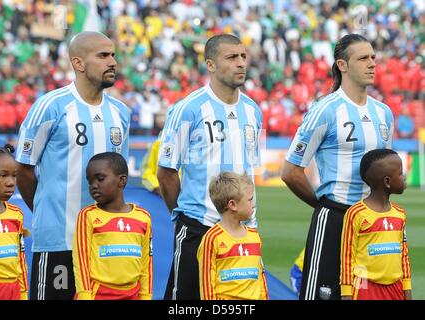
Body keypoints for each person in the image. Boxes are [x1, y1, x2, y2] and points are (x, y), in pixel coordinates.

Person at [15, 31, 130, 300]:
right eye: (103, 55)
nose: (112, 61)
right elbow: (24, 169)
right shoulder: (50, 106)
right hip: (59, 240)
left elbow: (119, 175)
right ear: (78, 63)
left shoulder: (120, 113)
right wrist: (47, 212)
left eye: (113, 54)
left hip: (107, 242)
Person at [281, 34, 394, 300]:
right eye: (363, 58)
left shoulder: (383, 113)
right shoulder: (326, 110)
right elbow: (290, 171)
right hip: (335, 218)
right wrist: (324, 207)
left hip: (372, 222)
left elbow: (385, 170)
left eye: (373, 58)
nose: (372, 64)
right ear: (342, 65)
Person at [157, 34, 263, 300]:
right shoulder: (188, 109)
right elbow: (166, 172)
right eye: (231, 57)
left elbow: (249, 170)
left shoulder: (253, 111)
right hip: (199, 228)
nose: (240, 63)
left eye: (242, 56)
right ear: (211, 65)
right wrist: (185, 218)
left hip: (243, 231)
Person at [73, 152, 153, 300]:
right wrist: (84, 295)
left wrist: (146, 296)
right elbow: (81, 261)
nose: (93, 186)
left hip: (133, 295)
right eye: (89, 181)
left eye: (100, 179)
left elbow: (146, 264)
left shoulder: (143, 217)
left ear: (122, 180)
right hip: (99, 294)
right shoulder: (87, 215)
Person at [340, 149, 412, 300]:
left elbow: (403, 255)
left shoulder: (400, 213)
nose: (404, 177)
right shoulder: (356, 213)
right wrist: (346, 293)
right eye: (400, 173)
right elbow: (347, 256)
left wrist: (407, 288)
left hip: (396, 288)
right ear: (387, 181)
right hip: (365, 288)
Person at [197, 172, 268, 300]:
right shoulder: (212, 238)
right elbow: (207, 286)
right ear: (232, 205)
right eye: (250, 199)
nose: (254, 204)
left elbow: (261, 279)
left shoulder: (254, 236)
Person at [0, 144, 29, 300]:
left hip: (13, 290)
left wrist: (23, 293)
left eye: (14, 175)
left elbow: (21, 258)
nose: (11, 182)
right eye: (3, 175)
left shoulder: (16, 214)